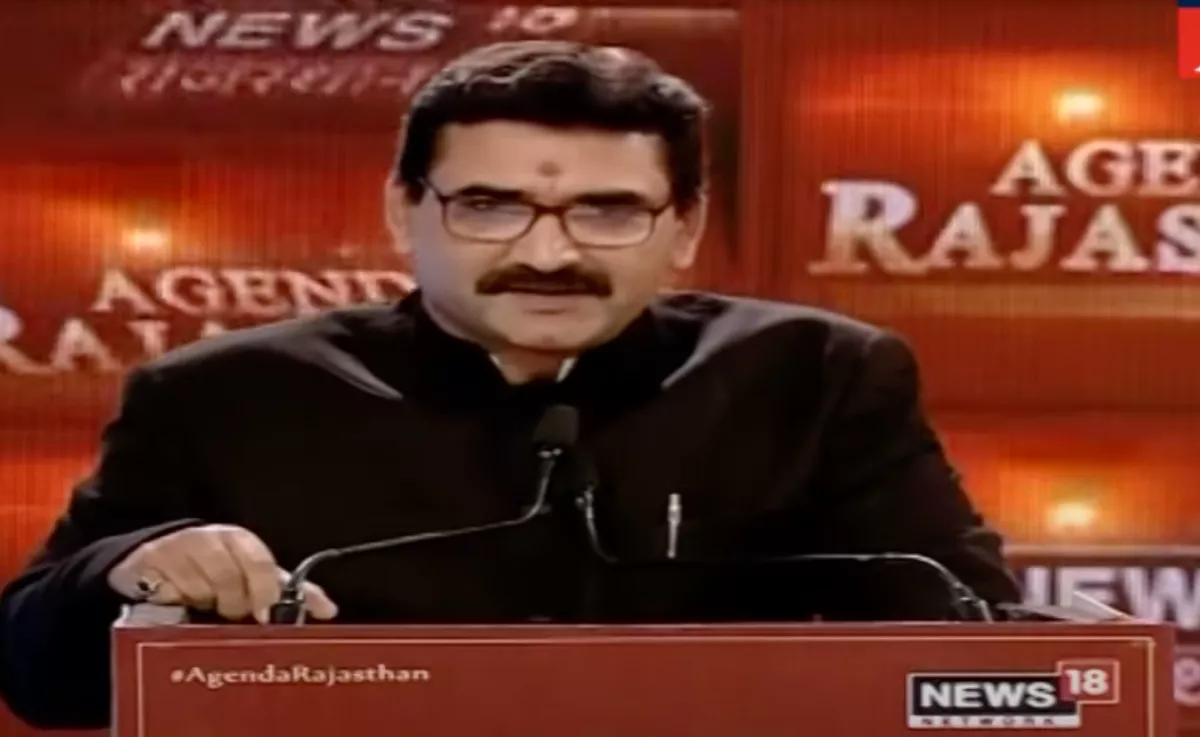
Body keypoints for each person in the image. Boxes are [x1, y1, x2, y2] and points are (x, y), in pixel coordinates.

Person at [0, 40, 1020, 729]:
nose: (548, 254)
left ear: (685, 227)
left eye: (608, 211)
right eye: (489, 206)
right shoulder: (224, 396)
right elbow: (36, 677)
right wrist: (128, 568)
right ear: (404, 211)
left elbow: (976, 643)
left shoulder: (820, 375)